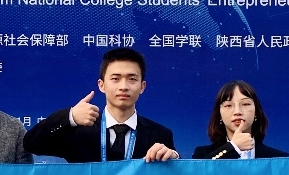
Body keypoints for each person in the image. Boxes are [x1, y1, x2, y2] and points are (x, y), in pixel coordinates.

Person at [23, 47, 178, 162]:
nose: (123, 86)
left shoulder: (160, 135)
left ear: (142, 87)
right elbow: (31, 143)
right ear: (101, 85)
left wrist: (173, 159)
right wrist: (69, 116)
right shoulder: (79, 130)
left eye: (132, 79)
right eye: (115, 79)